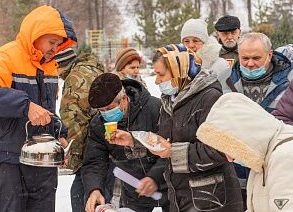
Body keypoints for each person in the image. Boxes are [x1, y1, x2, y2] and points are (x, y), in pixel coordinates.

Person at [0, 5, 77, 212]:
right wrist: (24, 105)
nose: (55, 48)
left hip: (40, 164)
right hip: (4, 163)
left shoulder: (50, 67)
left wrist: (59, 135)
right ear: (36, 34)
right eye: (51, 42)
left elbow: (47, 110)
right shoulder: (6, 57)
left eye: (59, 44)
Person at [110, 44, 243, 211]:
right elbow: (166, 141)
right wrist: (134, 140)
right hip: (181, 197)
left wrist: (173, 151)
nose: (157, 80)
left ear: (179, 71)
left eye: (160, 74)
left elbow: (222, 149)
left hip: (213, 200)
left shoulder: (210, 98)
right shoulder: (170, 100)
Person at [218, 32, 293, 209]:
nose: (250, 64)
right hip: (235, 177)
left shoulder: (290, 80)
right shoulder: (223, 79)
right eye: (245, 58)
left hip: (277, 175)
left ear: (270, 55)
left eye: (256, 58)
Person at [82, 73, 169, 212]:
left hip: (168, 188)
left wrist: (154, 177)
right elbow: (94, 161)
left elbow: (169, 149)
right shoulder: (98, 123)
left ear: (123, 99)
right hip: (134, 193)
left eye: (109, 108)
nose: (105, 114)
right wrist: (94, 189)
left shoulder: (154, 108)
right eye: (101, 111)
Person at [196, 92, 293, 212]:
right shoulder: (263, 158)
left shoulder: (285, 156)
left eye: (229, 150)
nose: (230, 159)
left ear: (242, 137)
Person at [55, 47, 105, 212]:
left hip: (89, 154)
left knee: (81, 197)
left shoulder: (74, 78)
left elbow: (74, 121)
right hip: (105, 150)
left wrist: (73, 158)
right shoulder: (92, 69)